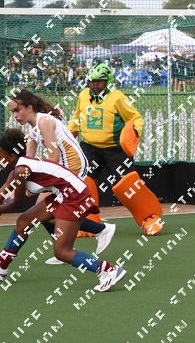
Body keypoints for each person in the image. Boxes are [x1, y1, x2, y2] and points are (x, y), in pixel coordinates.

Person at [0, 129, 127, 292]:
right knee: (24, 222)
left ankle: (109, 271)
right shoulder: (19, 169)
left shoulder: (21, 170)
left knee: (62, 252)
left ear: (12, 156)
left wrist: (0, 209)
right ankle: (1, 264)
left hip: (74, 197)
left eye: (0, 157)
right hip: (64, 194)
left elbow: (17, 202)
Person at [7, 89, 116, 265]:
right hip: (62, 167)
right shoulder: (32, 129)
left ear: (29, 107)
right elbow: (27, 162)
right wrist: (18, 187)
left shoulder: (44, 122)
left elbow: (54, 155)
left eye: (17, 110)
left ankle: (98, 231)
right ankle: (69, 246)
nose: (15, 115)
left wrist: (37, 186)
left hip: (73, 165)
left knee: (42, 211)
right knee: (44, 213)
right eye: (12, 112)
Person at [69, 62, 163, 235]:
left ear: (108, 81)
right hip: (89, 148)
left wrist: (134, 133)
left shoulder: (117, 98)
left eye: (99, 81)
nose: (95, 85)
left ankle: (148, 218)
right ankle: (90, 223)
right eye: (92, 81)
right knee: (85, 182)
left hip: (116, 150)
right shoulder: (83, 96)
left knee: (128, 184)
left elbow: (136, 118)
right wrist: (68, 136)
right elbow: (76, 118)